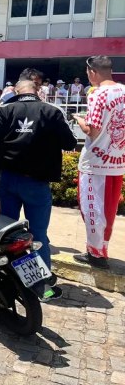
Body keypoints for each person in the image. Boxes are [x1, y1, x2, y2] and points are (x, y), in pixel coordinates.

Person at [0, 80, 77, 286]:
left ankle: (7, 278)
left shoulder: (5, 110)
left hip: (8, 181)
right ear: (37, 91)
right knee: (38, 234)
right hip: (37, 184)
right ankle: (41, 283)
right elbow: (70, 142)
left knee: (6, 232)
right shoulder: (52, 112)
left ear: (16, 92)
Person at [73, 56, 125, 269]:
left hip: (95, 162)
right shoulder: (123, 91)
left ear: (92, 72)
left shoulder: (97, 94)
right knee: (109, 209)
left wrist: (79, 119)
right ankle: (101, 247)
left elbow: (92, 130)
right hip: (117, 161)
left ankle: (95, 254)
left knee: (92, 207)